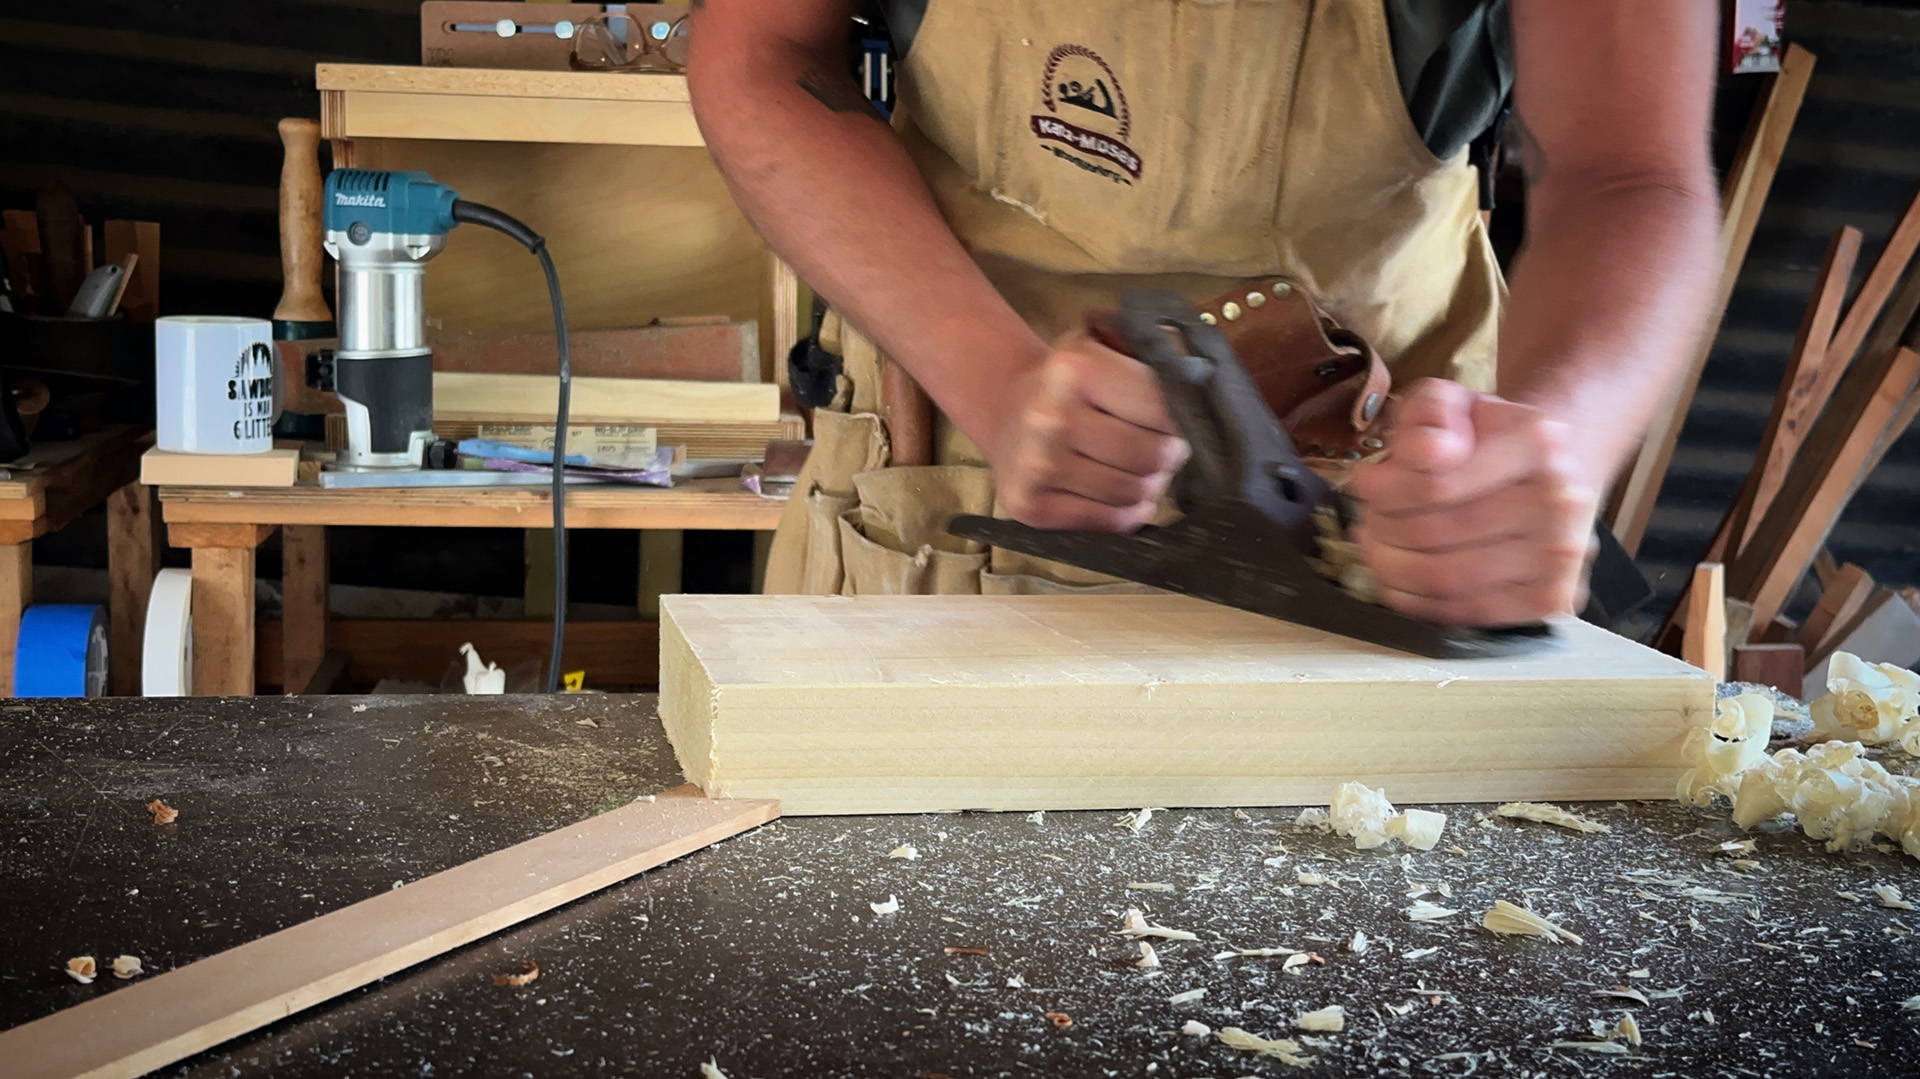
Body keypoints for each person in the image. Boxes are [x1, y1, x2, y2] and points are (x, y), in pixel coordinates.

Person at [689, 0, 1718, 625]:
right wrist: (993, 376)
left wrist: (1562, 444)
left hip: (1388, 494)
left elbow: (1629, 172)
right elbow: (763, 55)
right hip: (956, 436)